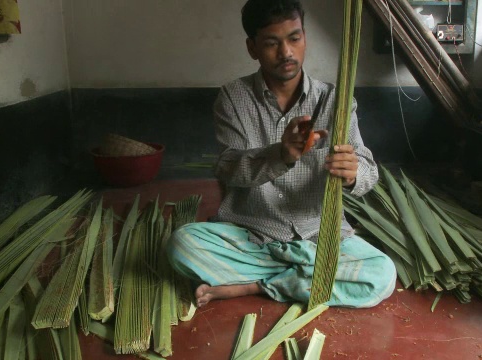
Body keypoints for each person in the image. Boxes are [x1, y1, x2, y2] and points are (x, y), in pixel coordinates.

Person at [167, 0, 396, 309]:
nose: (286, 52)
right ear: (252, 48)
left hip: (320, 237)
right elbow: (227, 167)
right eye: (272, 43)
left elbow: (369, 172)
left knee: (382, 274)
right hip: (252, 235)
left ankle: (257, 285)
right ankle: (300, 276)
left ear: (304, 39)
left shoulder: (335, 100)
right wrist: (280, 155)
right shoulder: (233, 98)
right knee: (183, 246)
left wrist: (354, 173)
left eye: (294, 38)